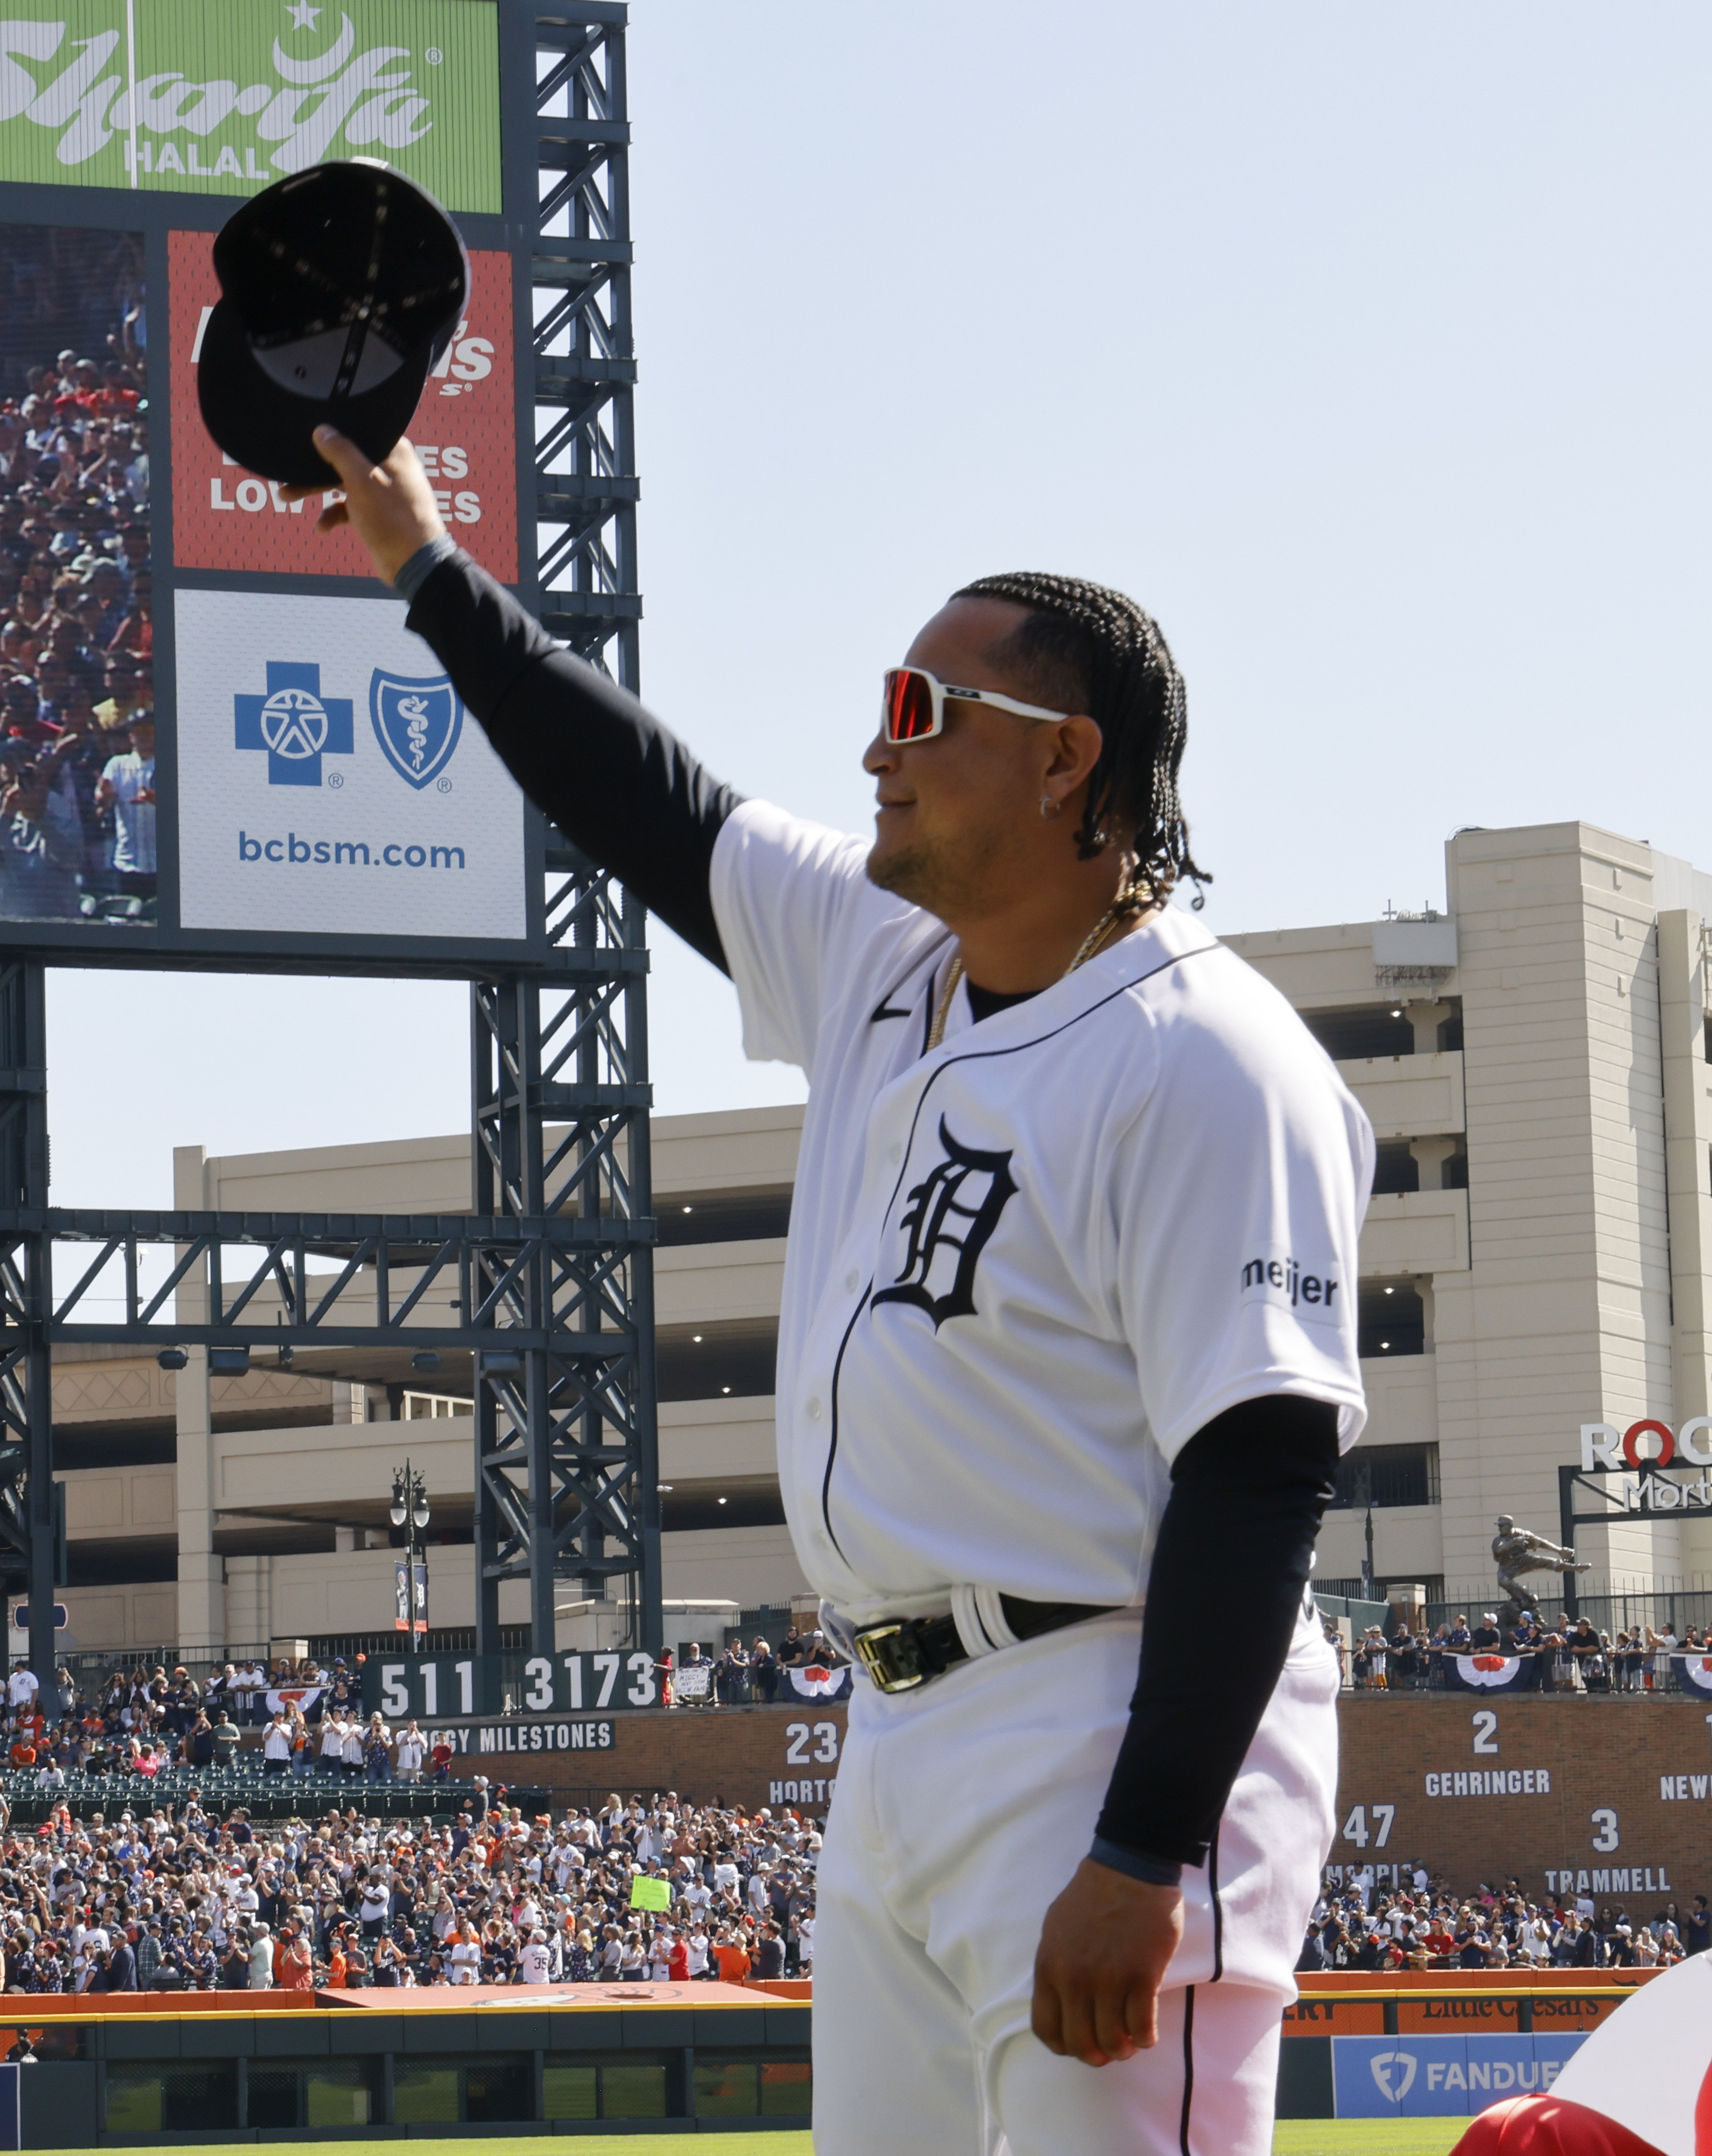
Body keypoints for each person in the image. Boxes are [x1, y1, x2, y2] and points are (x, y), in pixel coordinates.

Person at [313, 423, 1365, 2154]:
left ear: (1063, 763)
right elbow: (645, 799)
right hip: (889, 1730)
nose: (876, 745)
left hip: (1096, 1712)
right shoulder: (885, 958)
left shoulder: (1207, 1057)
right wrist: (429, 571)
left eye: (921, 708)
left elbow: (1257, 1479)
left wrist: (1143, 1845)